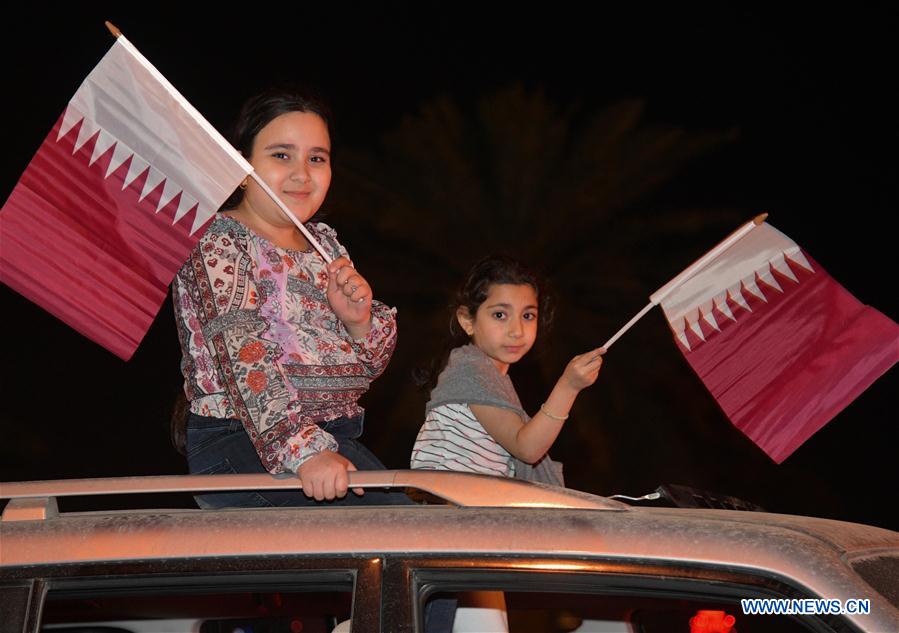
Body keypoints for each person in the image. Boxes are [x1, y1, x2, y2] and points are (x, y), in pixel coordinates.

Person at [172, 88, 403, 508]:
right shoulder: (218, 242)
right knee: (395, 536)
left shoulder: (326, 246)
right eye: (281, 155)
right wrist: (303, 451)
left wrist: (358, 321)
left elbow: (367, 365)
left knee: (415, 525)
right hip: (243, 441)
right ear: (242, 166)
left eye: (317, 158)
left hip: (331, 440)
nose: (302, 174)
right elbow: (244, 356)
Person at [410, 255, 604, 482]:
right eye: (500, 315)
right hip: (449, 509)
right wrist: (568, 386)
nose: (517, 330)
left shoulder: (489, 375)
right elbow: (527, 448)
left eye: (528, 315)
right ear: (467, 320)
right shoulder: (469, 372)